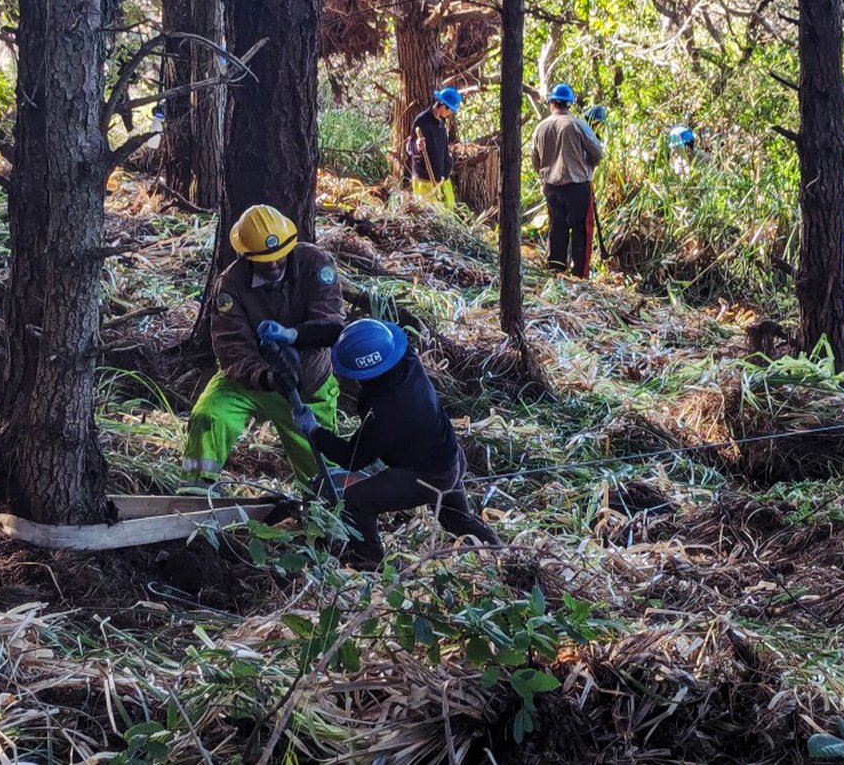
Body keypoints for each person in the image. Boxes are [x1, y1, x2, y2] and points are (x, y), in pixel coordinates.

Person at [290, 318, 500, 567]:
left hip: (428, 476)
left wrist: (314, 431)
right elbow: (349, 336)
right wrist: (294, 333)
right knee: (457, 520)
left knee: (355, 500)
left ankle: (368, 557)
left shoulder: (388, 409)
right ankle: (501, 552)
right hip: (450, 456)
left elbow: (353, 458)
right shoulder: (403, 357)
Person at [181, 204, 344, 486]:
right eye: (263, 259)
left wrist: (295, 338)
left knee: (321, 463)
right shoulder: (230, 285)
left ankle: (326, 511)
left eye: (278, 256)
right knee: (210, 416)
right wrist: (266, 377)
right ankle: (197, 489)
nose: (272, 264)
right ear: (245, 255)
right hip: (249, 381)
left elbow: (331, 325)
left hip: (307, 383)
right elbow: (232, 348)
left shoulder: (316, 264)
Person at [531, 83, 604, 278]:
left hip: (552, 187)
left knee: (557, 227)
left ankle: (556, 269)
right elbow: (597, 154)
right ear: (569, 104)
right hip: (577, 186)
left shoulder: (540, 128)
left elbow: (535, 161)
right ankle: (579, 274)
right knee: (581, 230)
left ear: (551, 103)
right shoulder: (578, 125)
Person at [408, 87, 461, 209]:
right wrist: (417, 146)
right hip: (425, 181)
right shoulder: (422, 121)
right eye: (450, 110)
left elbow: (443, 148)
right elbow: (409, 147)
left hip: (442, 179)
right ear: (443, 107)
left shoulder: (441, 123)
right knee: (431, 218)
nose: (451, 113)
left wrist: (448, 165)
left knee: (449, 213)